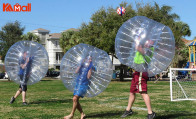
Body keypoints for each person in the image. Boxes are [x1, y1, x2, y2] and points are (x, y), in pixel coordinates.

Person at [121, 39, 156, 119]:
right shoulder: (143, 45)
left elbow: (141, 51)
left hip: (141, 70)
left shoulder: (150, 49)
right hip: (136, 71)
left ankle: (150, 113)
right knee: (132, 91)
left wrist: (138, 43)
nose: (148, 42)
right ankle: (128, 110)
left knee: (143, 92)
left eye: (150, 41)